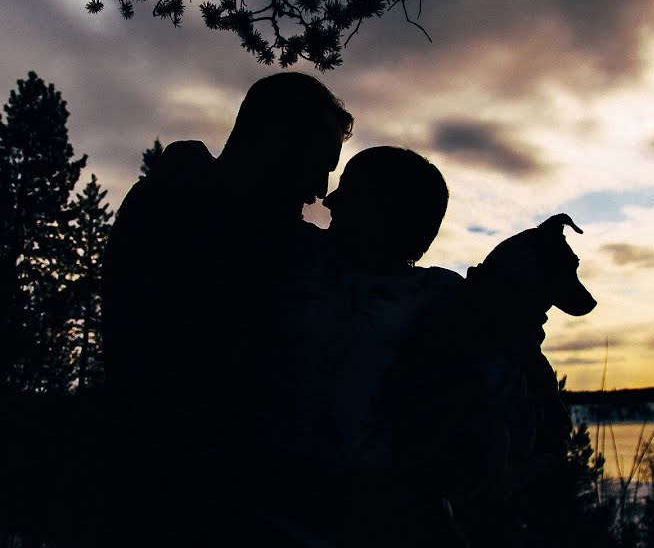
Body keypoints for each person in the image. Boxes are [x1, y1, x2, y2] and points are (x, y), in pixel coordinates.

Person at [100, 72, 353, 546]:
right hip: (175, 495)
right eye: (318, 163)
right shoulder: (183, 213)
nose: (321, 189)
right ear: (275, 140)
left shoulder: (227, 217)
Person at [259, 146, 466, 547]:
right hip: (273, 511)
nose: (330, 200)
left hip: (380, 521)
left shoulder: (446, 301)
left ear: (385, 212)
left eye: (349, 190)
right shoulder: (295, 254)